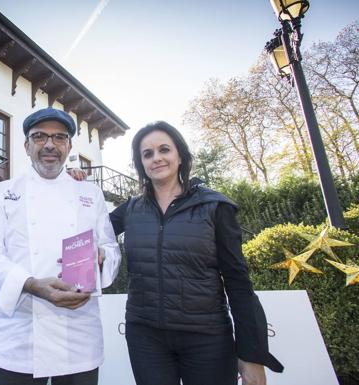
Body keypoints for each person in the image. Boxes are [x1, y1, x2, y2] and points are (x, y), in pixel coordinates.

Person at [109, 121, 284, 385]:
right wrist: (74, 184)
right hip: (145, 336)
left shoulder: (215, 206)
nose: (156, 158)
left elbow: (238, 283)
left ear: (180, 156)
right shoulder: (131, 209)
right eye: (147, 154)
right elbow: (86, 228)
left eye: (164, 150)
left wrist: (252, 355)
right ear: (141, 164)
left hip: (207, 338)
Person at [0, 107, 122, 385]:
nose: (50, 145)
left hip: (78, 335)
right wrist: (30, 285)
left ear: (69, 146)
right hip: (20, 336)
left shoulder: (91, 194)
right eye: (40, 137)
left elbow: (111, 248)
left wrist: (101, 257)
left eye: (59, 137)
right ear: (27, 146)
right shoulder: (3, 193)